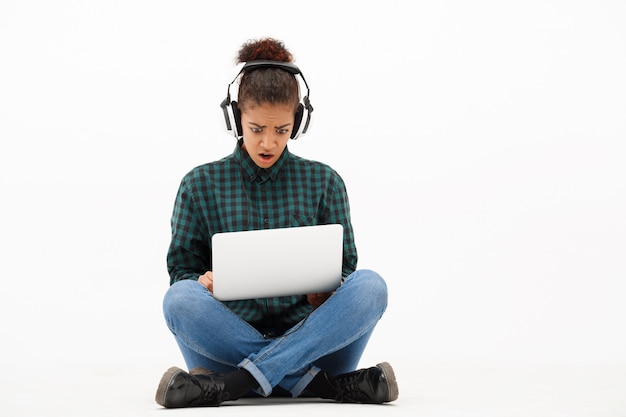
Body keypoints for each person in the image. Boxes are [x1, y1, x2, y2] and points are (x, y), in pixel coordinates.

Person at [155, 37, 399, 408]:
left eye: (281, 130)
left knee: (372, 287)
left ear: (297, 122)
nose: (268, 142)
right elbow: (181, 273)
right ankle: (324, 387)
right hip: (226, 346)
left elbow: (347, 271)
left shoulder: (325, 181)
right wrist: (199, 281)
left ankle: (235, 386)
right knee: (179, 300)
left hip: (312, 344)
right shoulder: (198, 184)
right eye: (256, 129)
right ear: (236, 117)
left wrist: (330, 292)